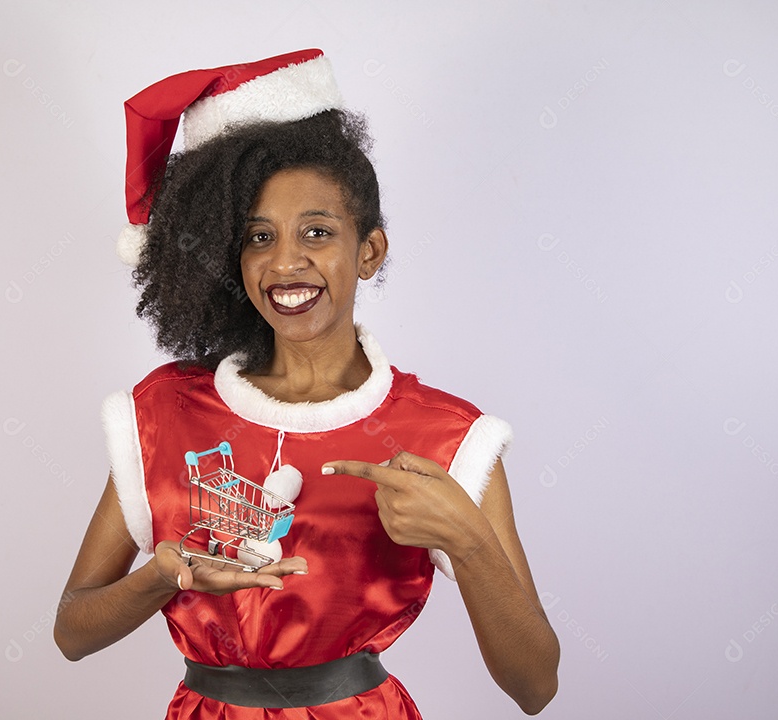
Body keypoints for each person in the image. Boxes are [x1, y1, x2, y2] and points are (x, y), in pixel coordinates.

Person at [54, 49, 560, 718]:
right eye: (259, 236)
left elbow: (535, 686)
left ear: (369, 250)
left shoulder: (445, 436)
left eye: (316, 232)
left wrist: (466, 540)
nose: (285, 261)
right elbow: (72, 632)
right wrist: (165, 573)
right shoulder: (164, 414)